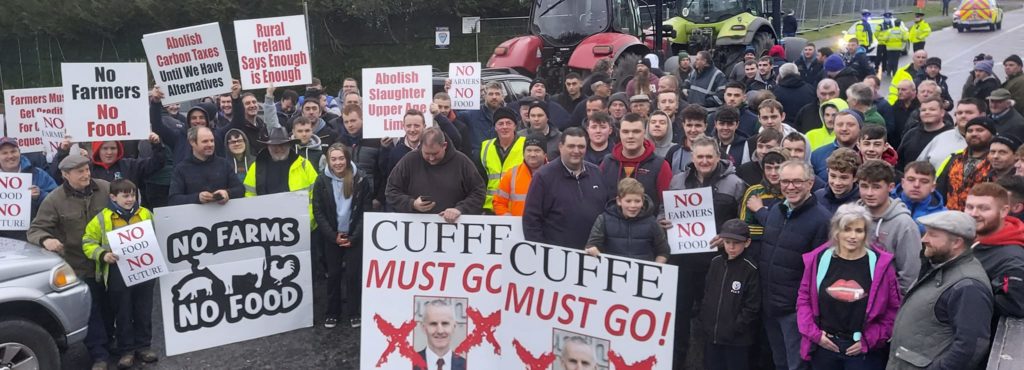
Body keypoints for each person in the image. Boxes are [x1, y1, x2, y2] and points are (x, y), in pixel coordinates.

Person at [28, 154, 112, 370]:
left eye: (87, 169)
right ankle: (99, 355)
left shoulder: (105, 188)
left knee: (112, 307)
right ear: (65, 175)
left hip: (109, 261)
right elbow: (36, 229)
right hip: (79, 265)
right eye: (79, 171)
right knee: (91, 310)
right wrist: (46, 240)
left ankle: (118, 346)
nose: (86, 174)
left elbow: (127, 206)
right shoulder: (55, 199)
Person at [796, 204, 900, 369]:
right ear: (836, 231)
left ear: (866, 234)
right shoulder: (818, 259)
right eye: (847, 229)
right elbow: (804, 300)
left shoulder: (881, 265)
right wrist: (816, 336)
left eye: (859, 231)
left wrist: (869, 340)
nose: (853, 236)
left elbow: (892, 311)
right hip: (824, 348)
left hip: (863, 353)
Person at [887, 211, 993, 370]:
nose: (924, 239)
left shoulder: (968, 286)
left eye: (932, 234)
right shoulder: (937, 267)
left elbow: (970, 347)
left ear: (957, 242)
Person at [756, 160, 831, 370]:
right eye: (785, 181)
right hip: (770, 306)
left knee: (796, 365)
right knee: (779, 362)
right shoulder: (775, 212)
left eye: (797, 181)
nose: (790, 187)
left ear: (810, 183)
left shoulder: (822, 220)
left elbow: (821, 273)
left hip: (795, 312)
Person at [81, 179, 157, 368]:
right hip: (117, 272)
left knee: (143, 310)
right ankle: (126, 350)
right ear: (113, 197)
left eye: (132, 195)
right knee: (122, 312)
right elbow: (87, 242)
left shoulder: (145, 213)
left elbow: (154, 235)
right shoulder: (102, 218)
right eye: (125, 196)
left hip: (144, 270)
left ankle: (143, 346)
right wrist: (102, 254)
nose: (130, 199)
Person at [313, 144, 371, 329]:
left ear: (347, 159)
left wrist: (354, 237)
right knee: (334, 275)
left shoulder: (361, 179)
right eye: (334, 159)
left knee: (354, 275)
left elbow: (365, 210)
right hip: (332, 236)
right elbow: (318, 211)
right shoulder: (321, 181)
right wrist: (332, 236)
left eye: (341, 158)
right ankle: (332, 312)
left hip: (354, 235)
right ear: (328, 161)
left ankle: (354, 312)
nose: (338, 163)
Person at [523, 128, 609, 249]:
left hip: (593, 254)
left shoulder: (597, 173)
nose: (576, 151)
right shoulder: (544, 176)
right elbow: (531, 220)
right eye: (571, 146)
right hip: (557, 257)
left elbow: (607, 213)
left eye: (581, 146)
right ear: (560, 147)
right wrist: (541, 253)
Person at [385, 127, 485, 222]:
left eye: (435, 153)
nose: (431, 158)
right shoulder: (410, 160)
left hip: (453, 228)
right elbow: (391, 191)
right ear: (421, 145)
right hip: (416, 228)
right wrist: (412, 204)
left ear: (444, 146)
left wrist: (460, 209)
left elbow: (479, 192)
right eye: (427, 153)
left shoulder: (462, 162)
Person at [699, 219, 761, 370]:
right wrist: (706, 321)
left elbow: (752, 306)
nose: (731, 247)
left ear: (747, 243)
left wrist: (736, 327)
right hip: (712, 335)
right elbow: (707, 294)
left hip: (737, 339)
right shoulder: (715, 262)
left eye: (736, 243)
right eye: (727, 242)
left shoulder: (750, 268)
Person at [855, 160, 923, 294]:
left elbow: (910, 275)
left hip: (887, 301)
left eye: (876, 187)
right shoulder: (852, 216)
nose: (869, 193)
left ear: (891, 187)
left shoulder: (904, 224)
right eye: (864, 186)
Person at [964, 183, 1024, 319]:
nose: (974, 214)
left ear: (1003, 211)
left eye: (983, 208)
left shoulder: (1012, 258)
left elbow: (1015, 305)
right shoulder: (964, 239)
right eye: (969, 207)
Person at [597, 114, 673, 211]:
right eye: (625, 132)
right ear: (619, 133)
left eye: (636, 132)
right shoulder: (607, 163)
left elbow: (667, 204)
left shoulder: (661, 165)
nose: (630, 136)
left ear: (644, 133)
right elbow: (598, 199)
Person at [584, 177, 669, 263]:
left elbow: (663, 251)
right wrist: (596, 253)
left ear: (643, 201)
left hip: (642, 274)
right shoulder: (604, 219)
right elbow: (591, 246)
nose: (633, 205)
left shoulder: (652, 222)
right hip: (612, 272)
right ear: (619, 201)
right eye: (628, 201)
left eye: (637, 201)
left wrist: (654, 270)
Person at [167, 126, 245, 206]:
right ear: (192, 142)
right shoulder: (181, 169)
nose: (210, 144)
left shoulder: (224, 164)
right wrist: (197, 198)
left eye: (212, 141)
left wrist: (227, 193)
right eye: (205, 141)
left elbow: (240, 189)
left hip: (224, 216)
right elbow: (173, 199)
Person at [0, 137, 57, 240]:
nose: (10, 156)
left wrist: (40, 195)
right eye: (4, 153)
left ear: (20, 152)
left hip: (32, 236)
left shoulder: (37, 174)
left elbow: (57, 200)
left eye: (13, 151)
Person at [937, 116, 995, 210]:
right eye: (970, 131)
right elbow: (939, 188)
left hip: (980, 217)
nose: (974, 134)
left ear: (992, 134)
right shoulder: (955, 159)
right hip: (950, 217)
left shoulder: (995, 161)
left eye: (980, 130)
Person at [917, 98, 986, 169]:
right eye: (959, 113)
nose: (963, 116)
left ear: (982, 115)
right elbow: (918, 166)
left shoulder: (991, 141)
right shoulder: (941, 138)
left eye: (969, 112)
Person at [479, 107, 525, 213]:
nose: (504, 127)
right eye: (500, 123)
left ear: (515, 126)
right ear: (495, 127)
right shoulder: (486, 146)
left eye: (508, 123)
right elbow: (481, 178)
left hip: (516, 208)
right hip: (491, 208)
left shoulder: (526, 145)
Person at [493, 136, 547, 216]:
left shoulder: (556, 174)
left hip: (547, 227)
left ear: (545, 154)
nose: (532, 154)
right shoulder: (511, 175)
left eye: (537, 150)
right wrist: (509, 220)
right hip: (518, 226)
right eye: (529, 150)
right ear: (523, 153)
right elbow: (498, 202)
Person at [897, 98, 951, 170]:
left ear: (942, 113)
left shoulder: (952, 135)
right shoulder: (910, 135)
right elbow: (899, 162)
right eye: (923, 110)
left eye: (932, 109)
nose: (927, 112)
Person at [894, 161, 947, 232]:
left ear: (933, 187)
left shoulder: (943, 216)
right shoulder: (885, 204)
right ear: (903, 183)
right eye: (911, 180)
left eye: (924, 181)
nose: (916, 185)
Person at [415, 300, 466, 370]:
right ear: (424, 328)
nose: (440, 331)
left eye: (445, 323)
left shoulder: (466, 365)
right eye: (433, 324)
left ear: (454, 327)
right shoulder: (409, 363)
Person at [812, 110, 862, 180]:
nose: (844, 129)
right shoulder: (817, 155)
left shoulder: (867, 154)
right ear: (834, 127)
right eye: (840, 125)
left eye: (850, 125)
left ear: (860, 128)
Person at [814, 148, 861, 213]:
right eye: (833, 176)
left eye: (843, 178)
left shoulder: (861, 203)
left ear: (855, 177)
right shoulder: (818, 197)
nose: (837, 183)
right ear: (827, 172)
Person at [667, 105, 711, 173]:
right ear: (683, 125)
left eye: (698, 125)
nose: (693, 130)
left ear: (705, 126)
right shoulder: (673, 152)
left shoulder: (716, 151)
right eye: (689, 125)